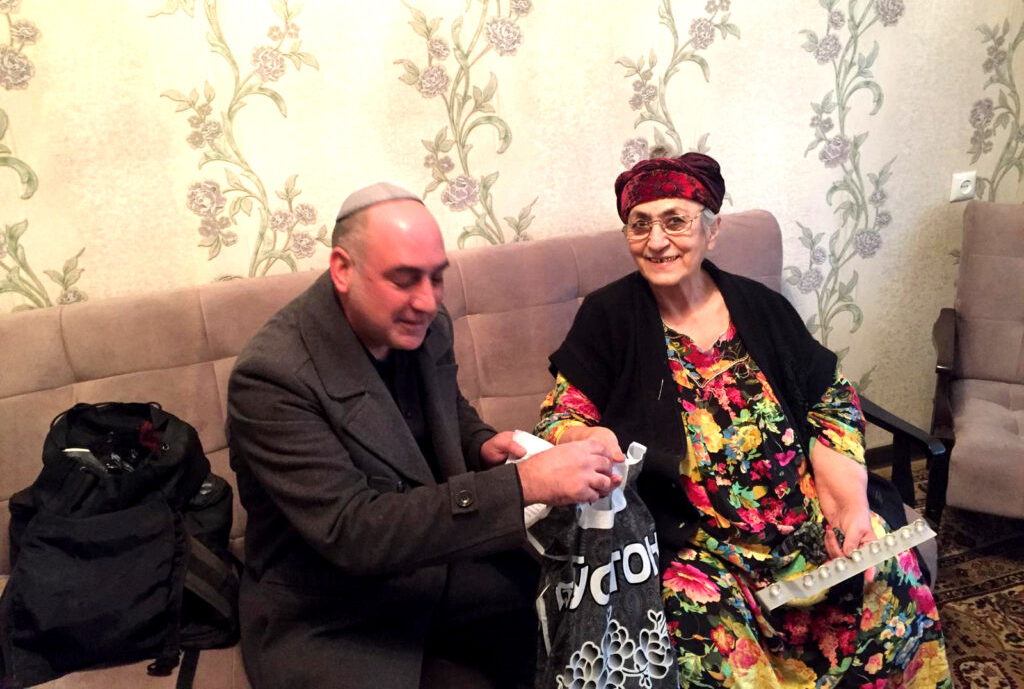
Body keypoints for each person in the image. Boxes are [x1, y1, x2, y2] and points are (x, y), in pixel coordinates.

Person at [533, 154, 951, 687]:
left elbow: (832, 402)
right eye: (640, 224)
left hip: (807, 518)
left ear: (712, 230)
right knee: (703, 632)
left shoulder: (761, 306)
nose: (656, 241)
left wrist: (848, 507)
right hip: (697, 546)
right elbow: (559, 416)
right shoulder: (608, 315)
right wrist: (586, 436)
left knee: (885, 570)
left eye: (675, 220)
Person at [227, 182, 620, 689]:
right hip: (332, 610)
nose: (428, 300)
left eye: (437, 278)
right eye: (404, 279)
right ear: (342, 269)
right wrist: (522, 483)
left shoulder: (425, 325)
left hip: (435, 569)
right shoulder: (271, 377)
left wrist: (480, 443)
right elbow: (354, 532)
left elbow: (447, 407)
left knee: (575, 625)